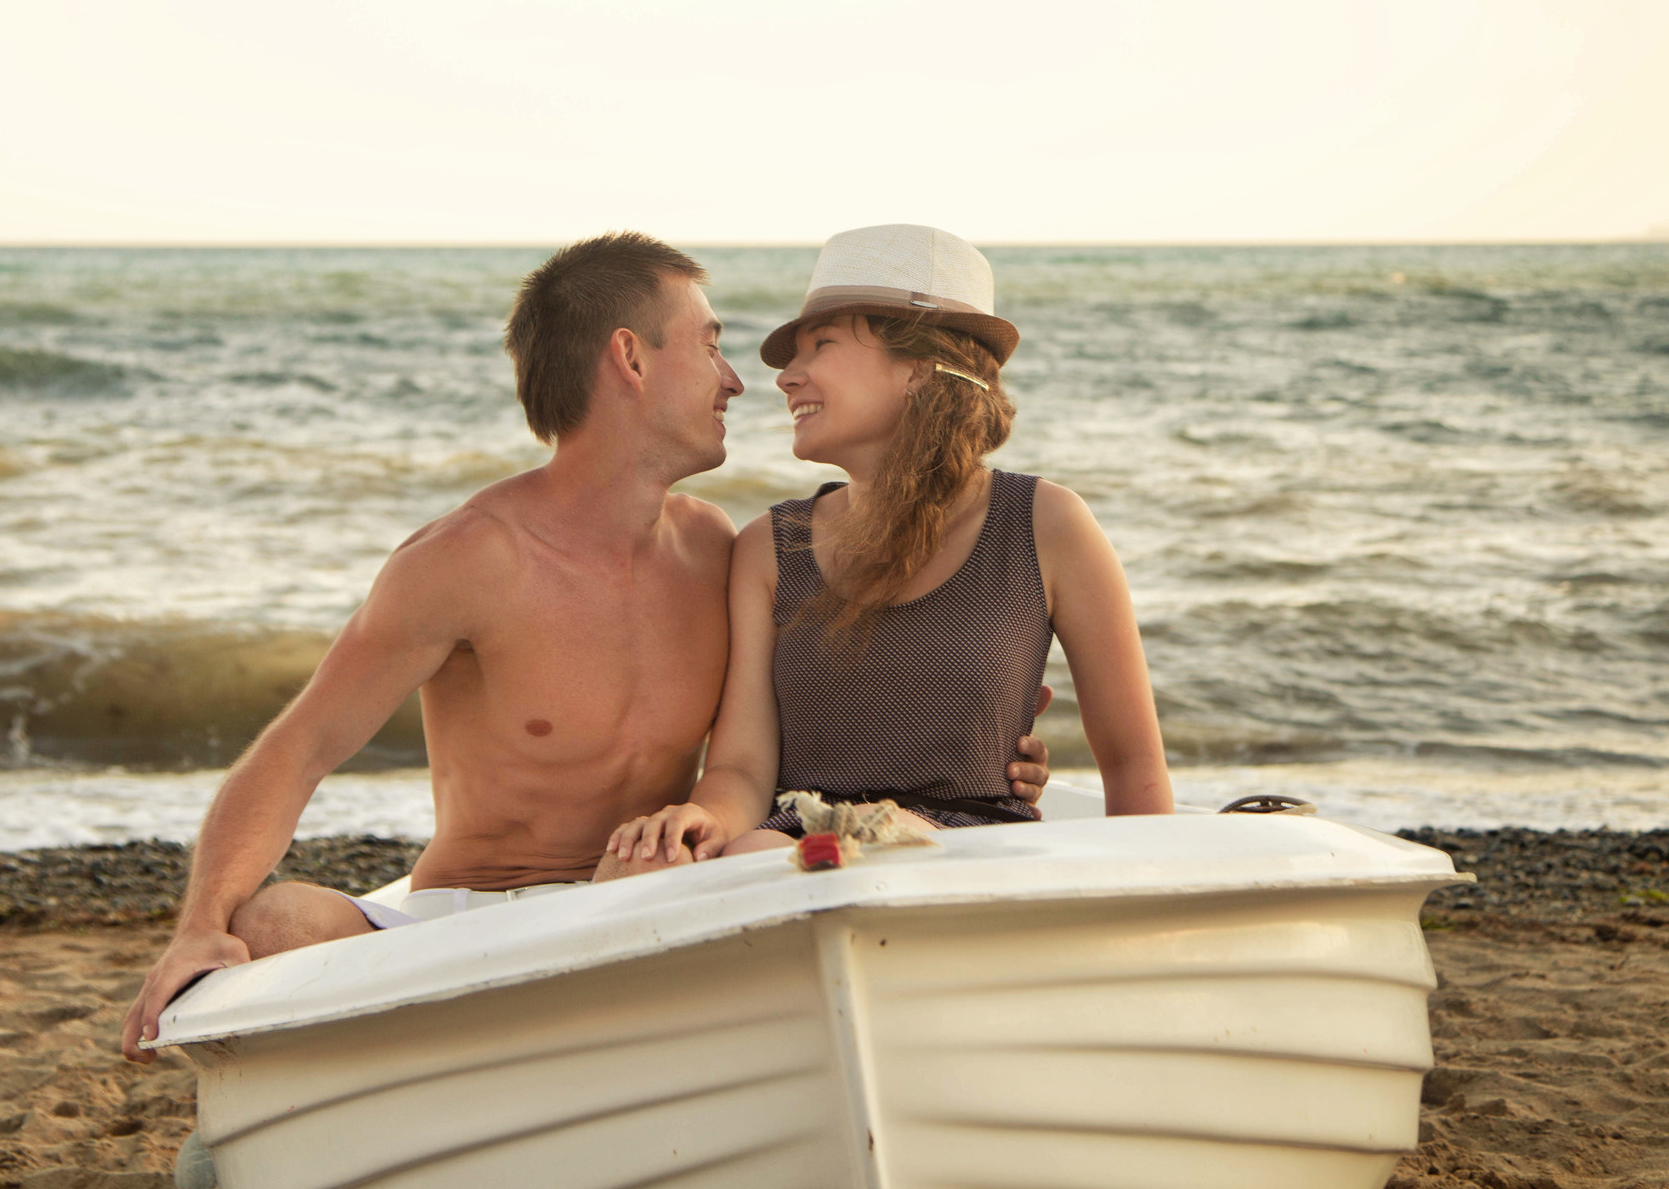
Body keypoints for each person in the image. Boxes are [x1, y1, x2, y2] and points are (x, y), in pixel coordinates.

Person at [119, 231, 1057, 1062]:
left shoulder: (718, 553)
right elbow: (297, 750)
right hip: (463, 919)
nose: (737, 380)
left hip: (638, 908)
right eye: (712, 344)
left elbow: (787, 733)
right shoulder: (466, 561)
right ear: (630, 359)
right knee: (274, 921)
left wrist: (994, 745)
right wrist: (199, 925)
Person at [602, 224, 1172, 878]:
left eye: (822, 345)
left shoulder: (1048, 525)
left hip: (972, 860)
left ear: (921, 366)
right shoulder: (769, 547)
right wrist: (704, 819)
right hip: (797, 849)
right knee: (641, 864)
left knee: (854, 849)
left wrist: (1144, 903)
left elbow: (1133, 766)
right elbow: (741, 767)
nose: (786, 377)